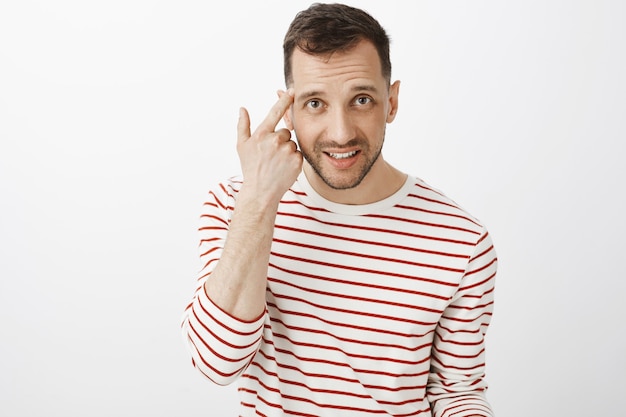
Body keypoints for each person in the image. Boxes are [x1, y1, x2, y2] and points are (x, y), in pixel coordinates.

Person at [181, 3, 497, 416]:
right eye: (315, 103)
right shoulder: (234, 206)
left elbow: (457, 392)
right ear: (288, 109)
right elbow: (217, 362)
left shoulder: (462, 241)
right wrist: (259, 200)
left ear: (392, 102)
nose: (341, 132)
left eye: (361, 99)